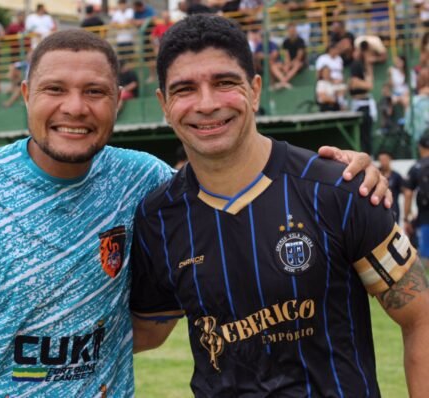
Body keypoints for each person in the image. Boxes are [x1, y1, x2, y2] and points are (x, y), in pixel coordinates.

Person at [0, 28, 388, 398]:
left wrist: (350, 170)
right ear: (27, 94)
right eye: (54, 90)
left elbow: (233, 181)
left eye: (94, 92)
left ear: (119, 101)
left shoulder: (148, 186)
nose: (75, 107)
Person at [130, 15, 429, 397]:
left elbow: (419, 317)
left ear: (255, 90)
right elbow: (144, 333)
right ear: (164, 104)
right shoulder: (158, 218)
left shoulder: (338, 189)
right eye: (185, 89)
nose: (206, 104)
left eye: (225, 83)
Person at [404, 134, 429, 269]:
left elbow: (408, 194)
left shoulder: (417, 167)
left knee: (425, 255)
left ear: (420, 147)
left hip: (425, 216)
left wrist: (406, 218)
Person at [349, 41, 375, 154]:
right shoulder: (356, 64)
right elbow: (354, 83)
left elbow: (369, 84)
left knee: (366, 135)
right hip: (359, 103)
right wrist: (366, 84)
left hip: (365, 103)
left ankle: (368, 157)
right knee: (361, 135)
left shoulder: (364, 65)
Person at [378, 150, 404, 223]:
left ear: (390, 159)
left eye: (385, 160)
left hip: (393, 208)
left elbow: (404, 191)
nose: (383, 162)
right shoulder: (376, 175)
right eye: (381, 160)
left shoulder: (396, 176)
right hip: (378, 209)